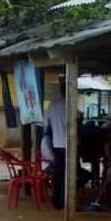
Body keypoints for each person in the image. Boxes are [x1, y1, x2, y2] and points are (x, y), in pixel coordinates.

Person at [46, 80, 68, 210]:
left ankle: (56, 202)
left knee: (58, 174)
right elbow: (77, 122)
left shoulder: (52, 105)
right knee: (69, 175)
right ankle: (66, 201)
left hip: (56, 144)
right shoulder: (70, 105)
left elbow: (48, 123)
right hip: (68, 145)